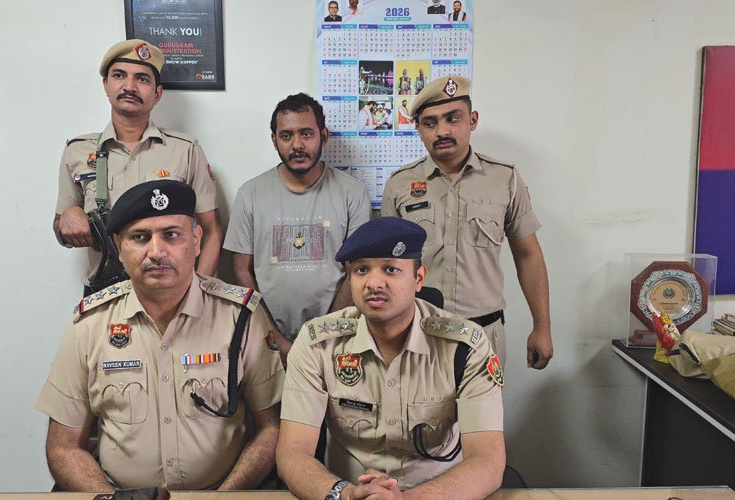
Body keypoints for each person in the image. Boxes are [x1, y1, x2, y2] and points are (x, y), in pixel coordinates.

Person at [37, 180, 284, 491]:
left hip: (220, 491)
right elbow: (64, 447)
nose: (156, 252)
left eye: (171, 235)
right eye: (140, 237)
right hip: (119, 496)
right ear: (118, 247)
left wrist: (223, 498)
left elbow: (271, 427)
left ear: (197, 241)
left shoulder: (241, 317)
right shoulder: (90, 323)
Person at [277, 217, 505, 499]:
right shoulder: (318, 344)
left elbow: (488, 460)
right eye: (361, 270)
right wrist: (344, 494)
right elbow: (292, 452)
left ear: (418, 278)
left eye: (390, 269)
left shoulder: (465, 346)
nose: (374, 283)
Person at [381, 75, 552, 369]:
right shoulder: (399, 185)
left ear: (472, 120)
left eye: (453, 118)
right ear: (418, 128)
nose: (442, 131)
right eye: (430, 123)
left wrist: (542, 327)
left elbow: (528, 255)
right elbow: (386, 265)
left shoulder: (505, 179)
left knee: (485, 403)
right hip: (417, 334)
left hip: (484, 334)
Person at [54, 39, 224, 294]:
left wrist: (197, 291)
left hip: (171, 291)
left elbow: (212, 231)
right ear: (106, 84)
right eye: (119, 75)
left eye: (142, 79)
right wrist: (68, 216)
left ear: (157, 94)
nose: (129, 86)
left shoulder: (185, 150)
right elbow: (61, 230)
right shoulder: (77, 151)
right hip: (105, 292)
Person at [224, 93, 370, 361]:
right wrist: (276, 339)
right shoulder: (250, 194)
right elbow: (241, 270)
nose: (297, 145)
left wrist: (327, 334)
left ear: (323, 136)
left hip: (337, 339)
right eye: (286, 135)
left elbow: (358, 269)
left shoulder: (352, 193)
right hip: (268, 340)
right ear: (274, 140)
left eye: (306, 134)